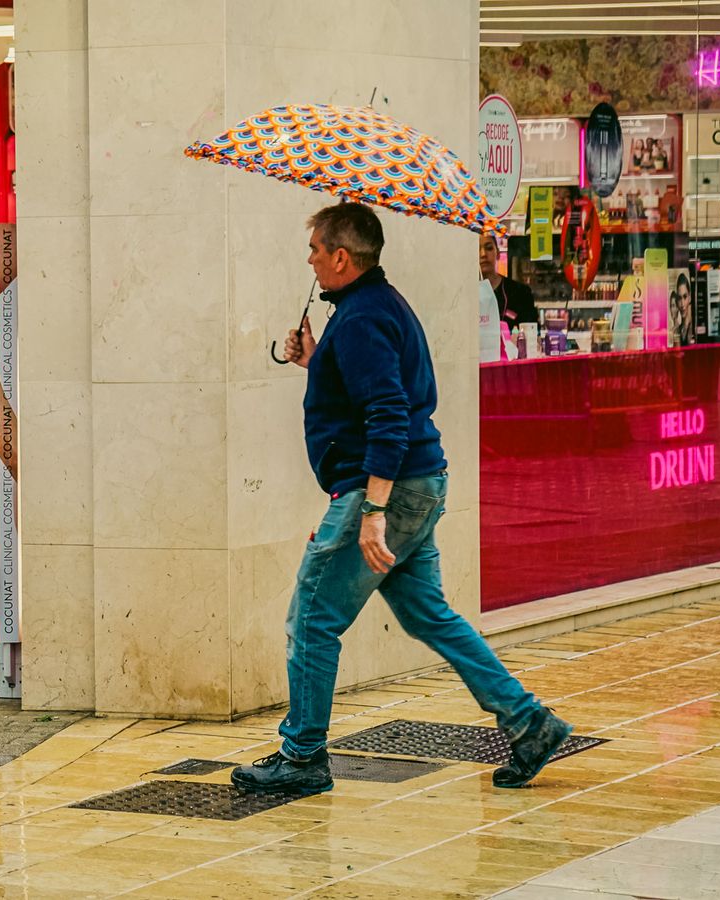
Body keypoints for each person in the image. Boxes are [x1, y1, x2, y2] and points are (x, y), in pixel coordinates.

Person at [232, 203, 574, 795]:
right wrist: (316, 360)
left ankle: (303, 756)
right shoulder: (377, 307)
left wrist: (372, 512)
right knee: (429, 615)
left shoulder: (362, 318)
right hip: (421, 483)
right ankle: (529, 723)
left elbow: (388, 416)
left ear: (342, 257)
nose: (309, 259)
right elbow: (371, 392)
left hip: (384, 491)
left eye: (315, 249)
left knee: (312, 618)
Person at [480, 234, 535, 331]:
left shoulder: (521, 293)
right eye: (476, 249)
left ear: (498, 253)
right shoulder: (464, 295)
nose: (483, 254)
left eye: (489, 248)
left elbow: (531, 332)